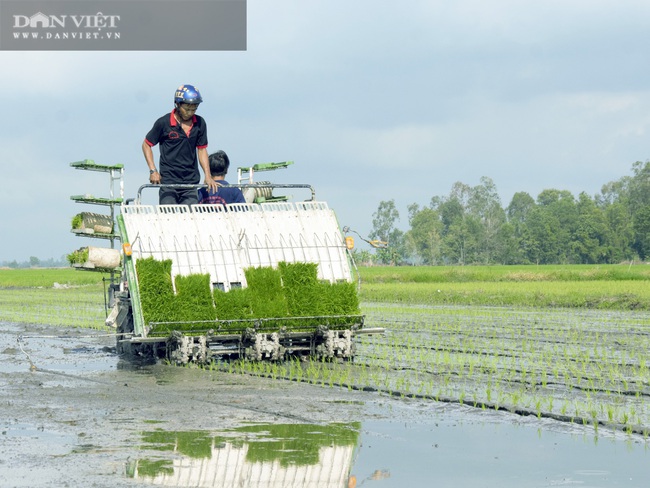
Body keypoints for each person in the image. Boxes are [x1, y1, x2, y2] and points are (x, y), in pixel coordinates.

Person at [142, 84, 219, 205]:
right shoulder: (163, 123)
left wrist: (208, 176)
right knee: (169, 216)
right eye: (187, 109)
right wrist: (153, 171)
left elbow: (202, 150)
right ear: (177, 104)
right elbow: (146, 145)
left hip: (190, 183)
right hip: (168, 182)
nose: (190, 112)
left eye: (194, 109)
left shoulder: (200, 123)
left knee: (189, 218)